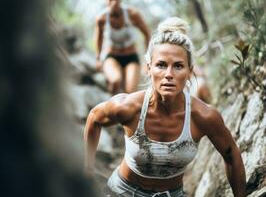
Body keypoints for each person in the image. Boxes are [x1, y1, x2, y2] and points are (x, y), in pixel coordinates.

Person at [84, 17, 246, 197]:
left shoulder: (203, 117)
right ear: (148, 69)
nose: (168, 74)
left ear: (189, 71)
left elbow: (232, 156)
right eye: (161, 65)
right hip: (121, 192)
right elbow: (94, 118)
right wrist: (88, 167)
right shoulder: (127, 107)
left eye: (178, 66)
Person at [95, 0, 150, 94]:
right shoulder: (102, 18)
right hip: (112, 56)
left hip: (131, 56)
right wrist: (98, 58)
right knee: (115, 81)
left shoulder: (132, 14)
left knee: (129, 92)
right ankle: (110, 104)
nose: (114, 2)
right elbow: (99, 39)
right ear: (106, 0)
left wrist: (148, 59)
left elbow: (147, 34)